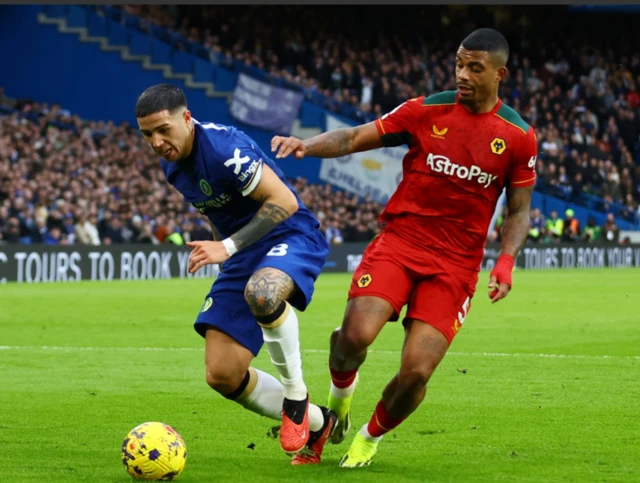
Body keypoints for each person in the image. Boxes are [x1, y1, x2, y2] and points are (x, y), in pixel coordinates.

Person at [271, 28, 537, 468]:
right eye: (458, 63)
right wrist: (307, 146)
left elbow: (519, 211)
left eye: (475, 67)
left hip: (455, 265)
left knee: (415, 372)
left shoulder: (518, 136)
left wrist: (506, 261)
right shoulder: (424, 110)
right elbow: (357, 137)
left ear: (499, 73)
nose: (462, 74)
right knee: (352, 338)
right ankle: (336, 409)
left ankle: (368, 437)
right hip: (401, 242)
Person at [135, 84, 335, 465]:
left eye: (163, 129)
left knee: (263, 293)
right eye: (147, 135)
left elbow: (285, 202)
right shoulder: (172, 166)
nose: (157, 142)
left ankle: (296, 394)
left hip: (289, 233)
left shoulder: (225, 148)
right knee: (222, 374)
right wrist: (225, 254)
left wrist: (225, 248)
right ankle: (317, 422)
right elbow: (214, 210)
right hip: (242, 250)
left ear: (187, 118)